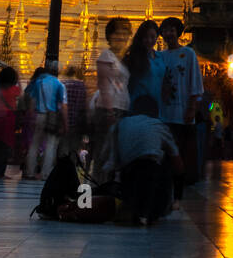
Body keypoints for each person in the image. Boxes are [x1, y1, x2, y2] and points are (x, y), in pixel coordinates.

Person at [101, 95, 183, 226]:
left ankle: (131, 206)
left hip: (128, 175)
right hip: (151, 173)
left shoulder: (120, 124)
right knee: (165, 158)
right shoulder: (159, 125)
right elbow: (178, 165)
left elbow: (110, 163)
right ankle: (152, 210)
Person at [157, 17, 204, 203]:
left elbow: (195, 84)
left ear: (178, 32)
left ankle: (178, 195)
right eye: (165, 30)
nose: (168, 34)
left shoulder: (188, 54)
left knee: (179, 155)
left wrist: (192, 108)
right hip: (163, 114)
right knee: (164, 155)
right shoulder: (159, 56)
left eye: (171, 30)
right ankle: (165, 193)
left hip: (182, 114)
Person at [91, 17, 132, 172]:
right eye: (117, 33)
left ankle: (108, 189)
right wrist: (109, 111)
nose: (121, 37)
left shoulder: (121, 59)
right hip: (109, 110)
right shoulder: (106, 56)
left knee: (115, 153)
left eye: (125, 33)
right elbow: (104, 85)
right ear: (109, 36)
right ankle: (98, 187)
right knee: (104, 151)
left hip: (121, 109)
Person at [24, 63, 68, 180]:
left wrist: (31, 116)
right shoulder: (59, 84)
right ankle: (45, 174)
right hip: (52, 117)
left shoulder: (38, 82)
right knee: (50, 145)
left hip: (39, 115)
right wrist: (65, 123)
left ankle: (30, 172)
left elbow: (32, 101)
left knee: (34, 144)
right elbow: (63, 106)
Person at [123, 20, 165, 108]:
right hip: (138, 107)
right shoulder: (132, 58)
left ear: (157, 37)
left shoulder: (160, 57)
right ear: (141, 38)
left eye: (153, 37)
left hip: (158, 107)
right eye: (146, 37)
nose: (149, 40)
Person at [0, 67, 20, 179]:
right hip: (8, 118)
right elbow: (20, 91)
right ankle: (0, 173)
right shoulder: (14, 89)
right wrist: (18, 78)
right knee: (5, 147)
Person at [61, 66, 87, 162]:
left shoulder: (62, 84)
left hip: (64, 121)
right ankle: (72, 170)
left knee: (63, 147)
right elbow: (84, 105)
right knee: (74, 148)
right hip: (77, 122)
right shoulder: (82, 85)